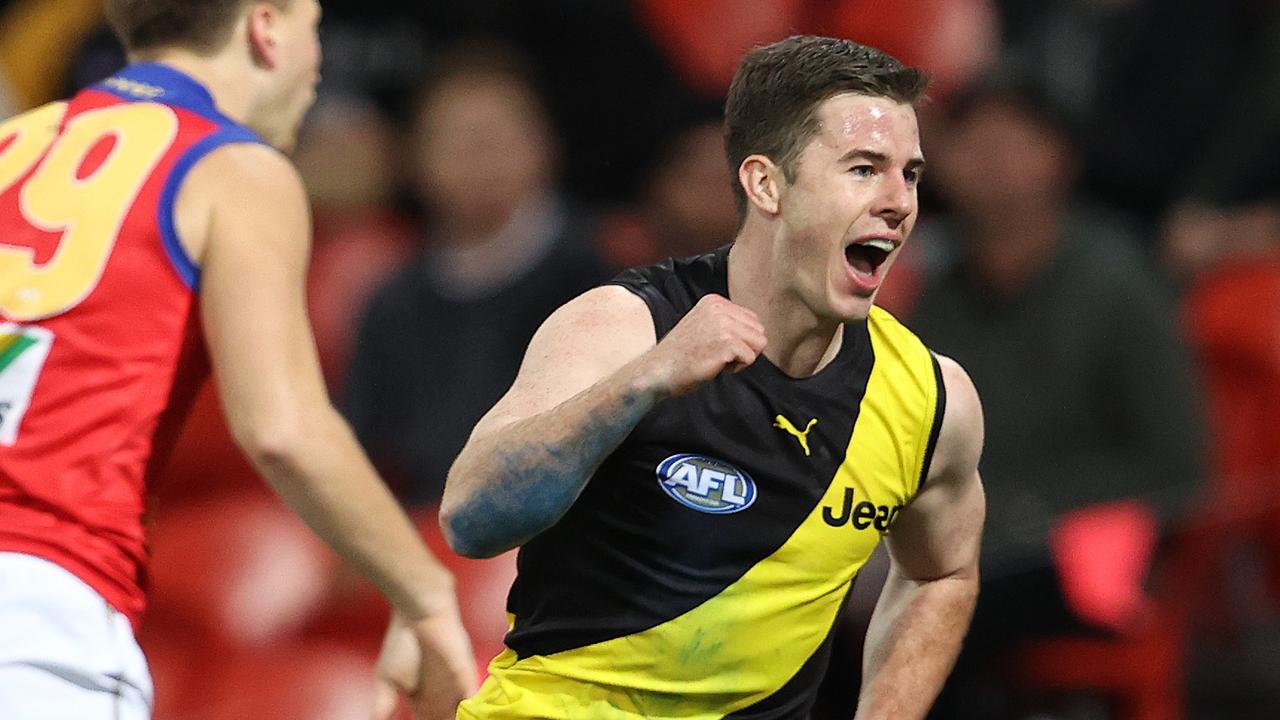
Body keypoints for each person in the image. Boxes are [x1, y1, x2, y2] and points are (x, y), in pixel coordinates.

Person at [441, 35, 986, 719]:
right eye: (863, 168)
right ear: (765, 184)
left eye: (909, 173)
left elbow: (941, 572)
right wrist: (642, 383)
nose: (898, 201)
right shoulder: (624, 328)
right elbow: (471, 518)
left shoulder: (931, 401)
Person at [0, 2, 475, 718]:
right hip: (43, 614)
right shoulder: (230, 167)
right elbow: (283, 428)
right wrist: (426, 592)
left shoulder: (12, 142)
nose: (317, 73)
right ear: (267, 27)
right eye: (315, 29)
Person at [910, 77, 1205, 718]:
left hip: (1101, 553)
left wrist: (1023, 505)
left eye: (1014, 141)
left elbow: (1176, 460)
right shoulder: (936, 299)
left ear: (1061, 157)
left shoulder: (1120, 284)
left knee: (933, 604)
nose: (991, 160)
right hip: (973, 542)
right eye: (972, 141)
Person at [342, 41, 612, 507]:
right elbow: (360, 449)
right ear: (414, 160)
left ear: (545, 146)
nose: (479, 163)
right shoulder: (393, 301)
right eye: (457, 143)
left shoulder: (598, 278)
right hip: (433, 528)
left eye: (497, 140)